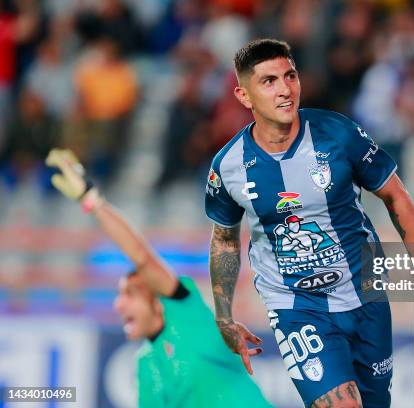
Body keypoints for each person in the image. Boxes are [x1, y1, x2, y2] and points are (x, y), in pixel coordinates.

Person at [205, 39, 414, 408]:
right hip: (296, 304)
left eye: (290, 76)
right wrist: (224, 316)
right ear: (244, 95)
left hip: (365, 293)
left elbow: (395, 195)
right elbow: (225, 239)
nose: (286, 89)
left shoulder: (339, 134)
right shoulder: (228, 166)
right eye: (269, 81)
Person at [45, 148, 272, 408]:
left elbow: (141, 257)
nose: (119, 305)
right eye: (120, 296)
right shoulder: (145, 366)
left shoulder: (189, 316)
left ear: (159, 301)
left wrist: (91, 200)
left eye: (130, 294)